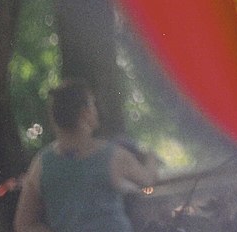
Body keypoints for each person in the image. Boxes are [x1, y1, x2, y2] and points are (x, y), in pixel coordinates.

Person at [14, 78, 159, 232]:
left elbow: (24, 224)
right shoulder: (112, 155)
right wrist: (151, 157)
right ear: (85, 112)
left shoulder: (41, 164)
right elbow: (148, 179)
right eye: (93, 104)